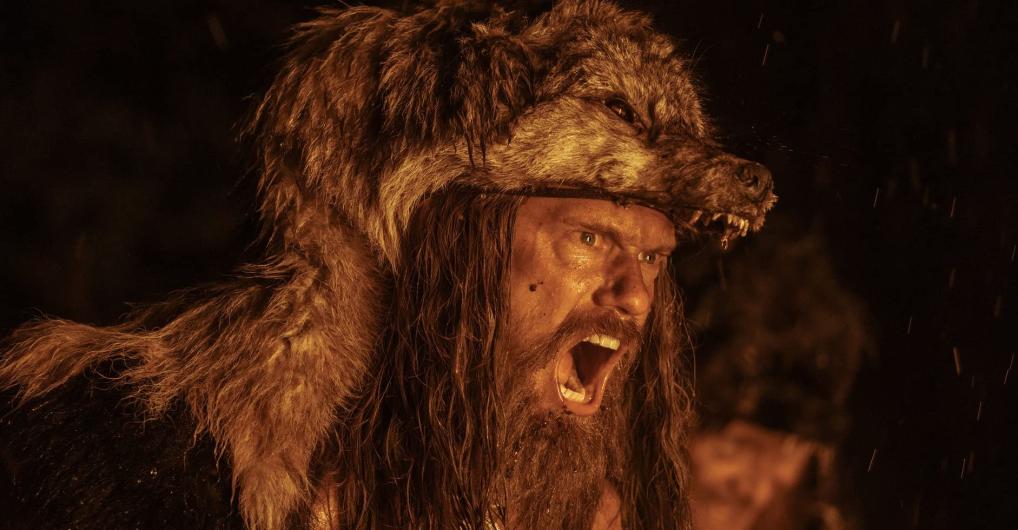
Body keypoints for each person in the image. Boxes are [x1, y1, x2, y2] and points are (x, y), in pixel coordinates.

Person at [0, 1, 775, 529]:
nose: (634, 294)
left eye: (653, 256)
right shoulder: (127, 449)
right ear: (456, 246)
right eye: (590, 240)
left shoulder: (585, 510)